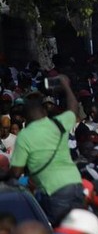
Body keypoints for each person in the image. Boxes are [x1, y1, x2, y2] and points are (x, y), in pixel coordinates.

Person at [9, 75, 84, 223]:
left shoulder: (24, 136)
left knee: (60, 231)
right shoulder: (57, 123)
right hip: (75, 183)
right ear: (44, 111)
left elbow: (16, 172)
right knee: (77, 228)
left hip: (53, 190)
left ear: (24, 117)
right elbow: (73, 109)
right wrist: (66, 86)